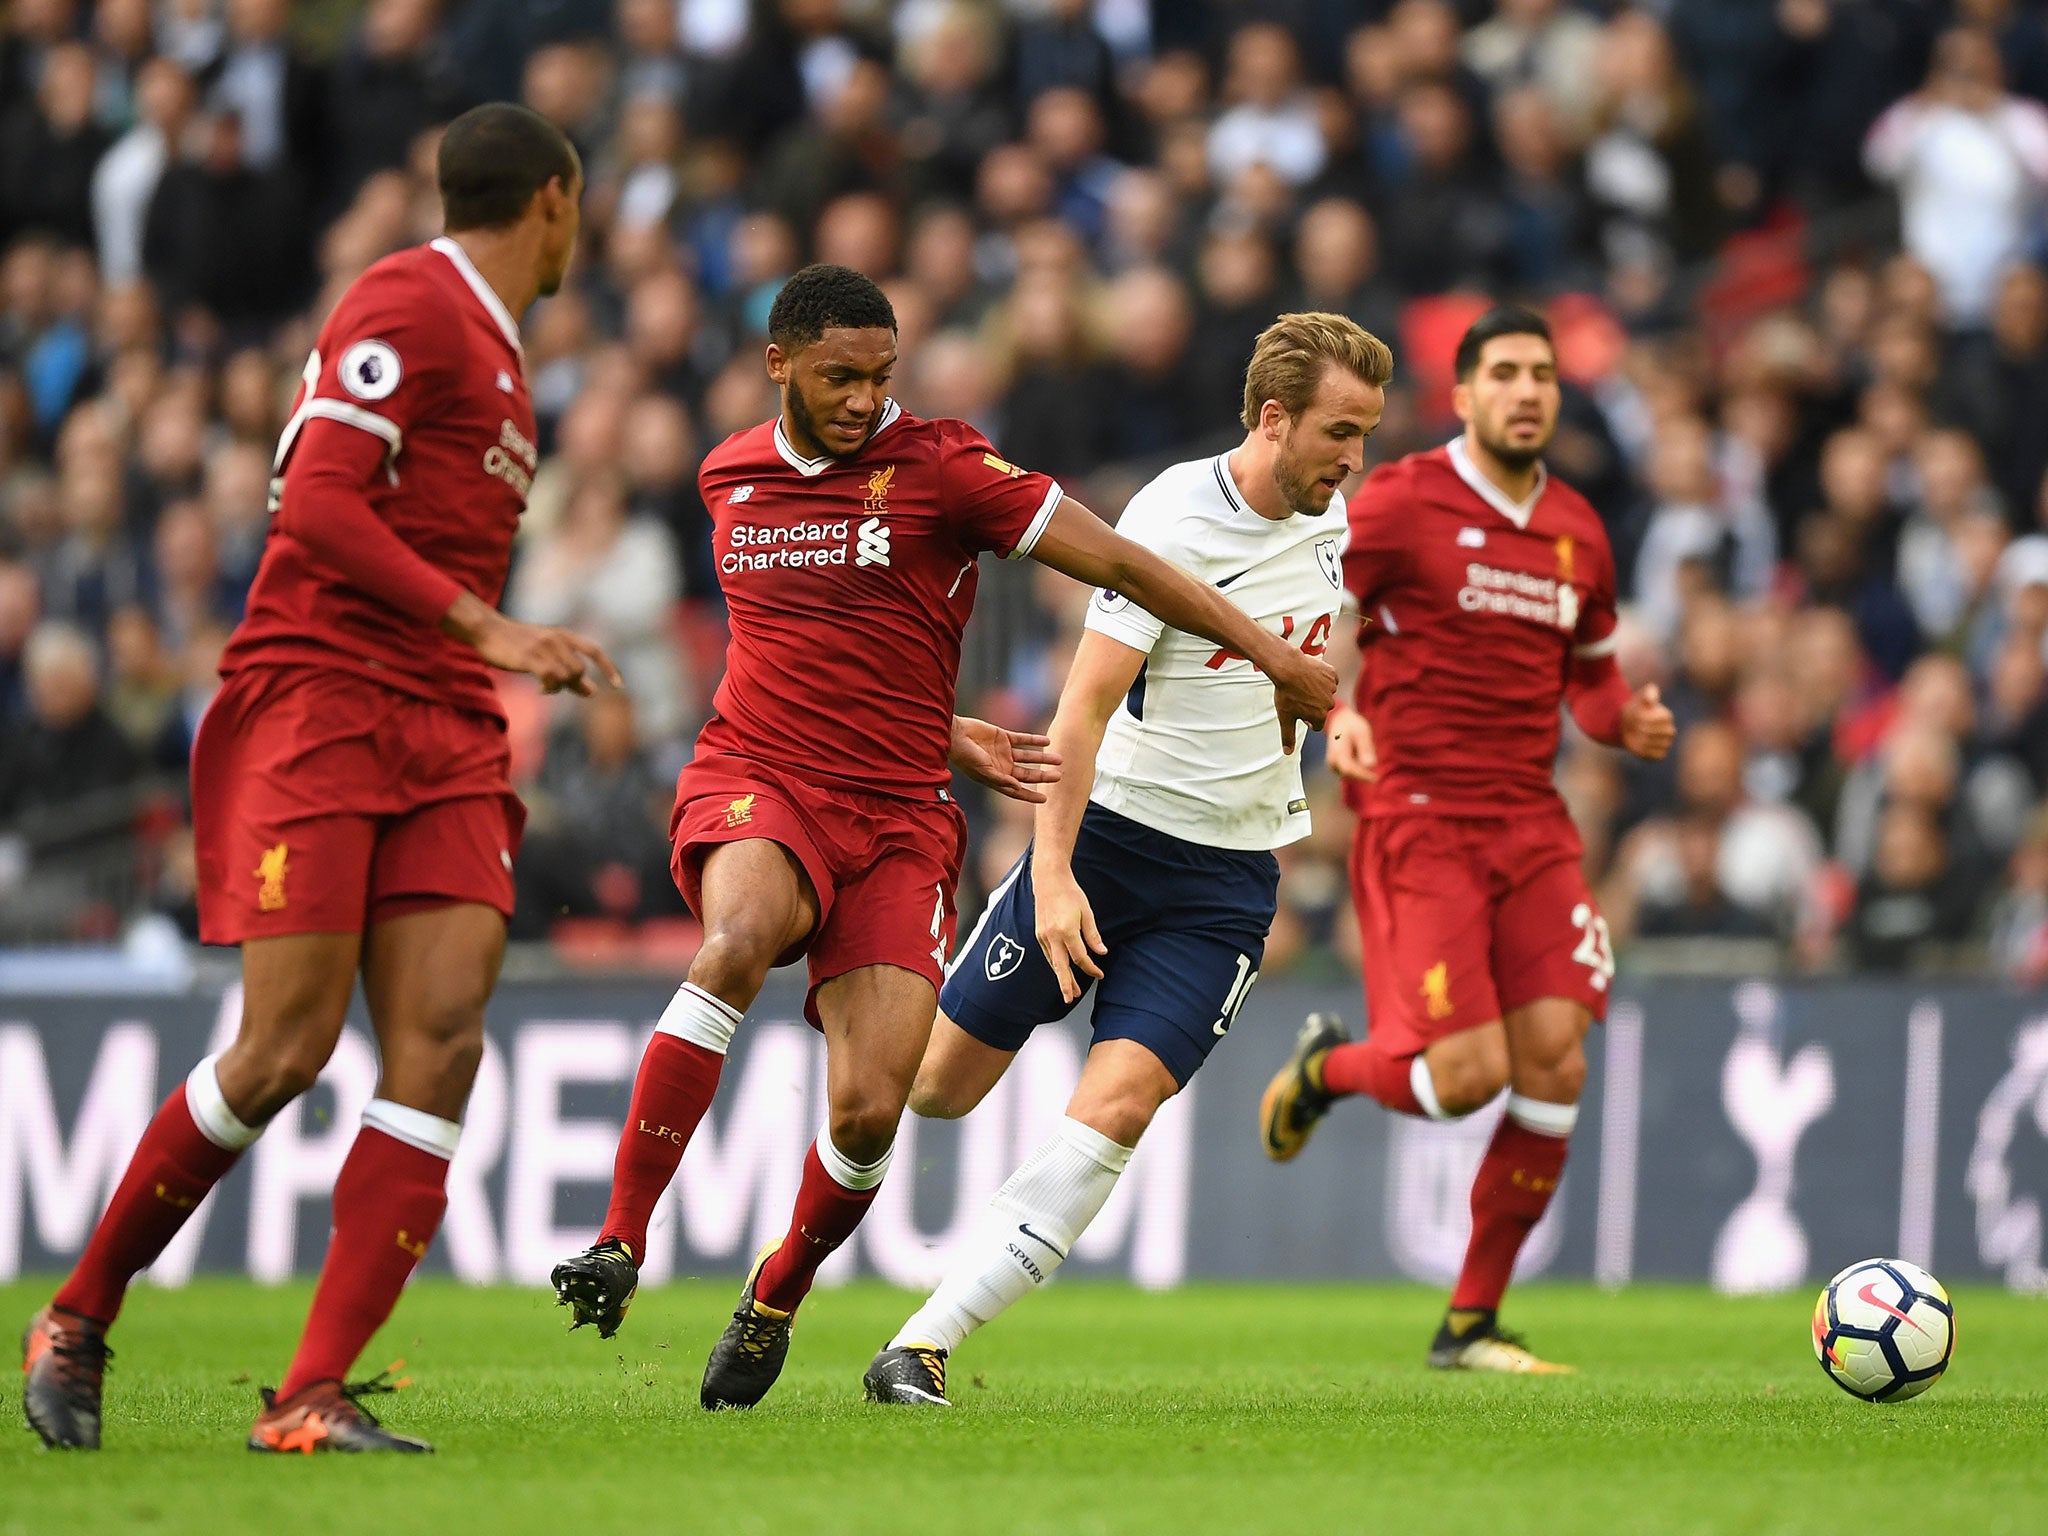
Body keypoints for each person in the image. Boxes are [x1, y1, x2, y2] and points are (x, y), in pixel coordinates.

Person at [550, 263, 1338, 1411]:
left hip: (899, 813)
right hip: (759, 776)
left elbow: (1119, 564)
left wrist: (1264, 655)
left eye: (881, 375)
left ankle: (776, 1290)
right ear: (777, 365)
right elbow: (782, 646)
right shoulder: (726, 476)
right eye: (838, 377)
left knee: (879, 1108)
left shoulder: (943, 469)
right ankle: (619, 1241)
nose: (865, 399)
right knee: (739, 936)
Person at [22, 102, 616, 1455]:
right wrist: (491, 629)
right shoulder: (406, 299)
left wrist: (479, 654)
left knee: (446, 1039)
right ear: (556, 200)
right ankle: (77, 1313)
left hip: (445, 726)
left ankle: (310, 1395)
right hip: (325, 701)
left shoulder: (505, 352)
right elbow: (319, 504)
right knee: (284, 1049)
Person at [863, 313, 1390, 1407]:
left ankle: (920, 1344)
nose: (1353, 459)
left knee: (1115, 1109)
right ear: (1271, 417)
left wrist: (1334, 730)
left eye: (1367, 436)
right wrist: (1051, 874)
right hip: (1106, 842)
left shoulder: (1332, 521)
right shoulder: (1171, 516)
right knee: (931, 1089)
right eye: (1340, 432)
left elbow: (1303, 670)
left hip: (1223, 884)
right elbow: (1083, 706)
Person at [1258, 307, 1675, 1373]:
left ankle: (1470, 1324)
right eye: (1504, 373)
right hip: (1417, 819)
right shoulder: (1398, 502)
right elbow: (1313, 602)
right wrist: (1333, 710)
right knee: (1461, 1075)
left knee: (1553, 1065)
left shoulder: (1579, 528)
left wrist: (1620, 718)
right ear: (1464, 394)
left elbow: (1587, 673)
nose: (1528, 390)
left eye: (1542, 374)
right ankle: (1331, 1071)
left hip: (1531, 827)